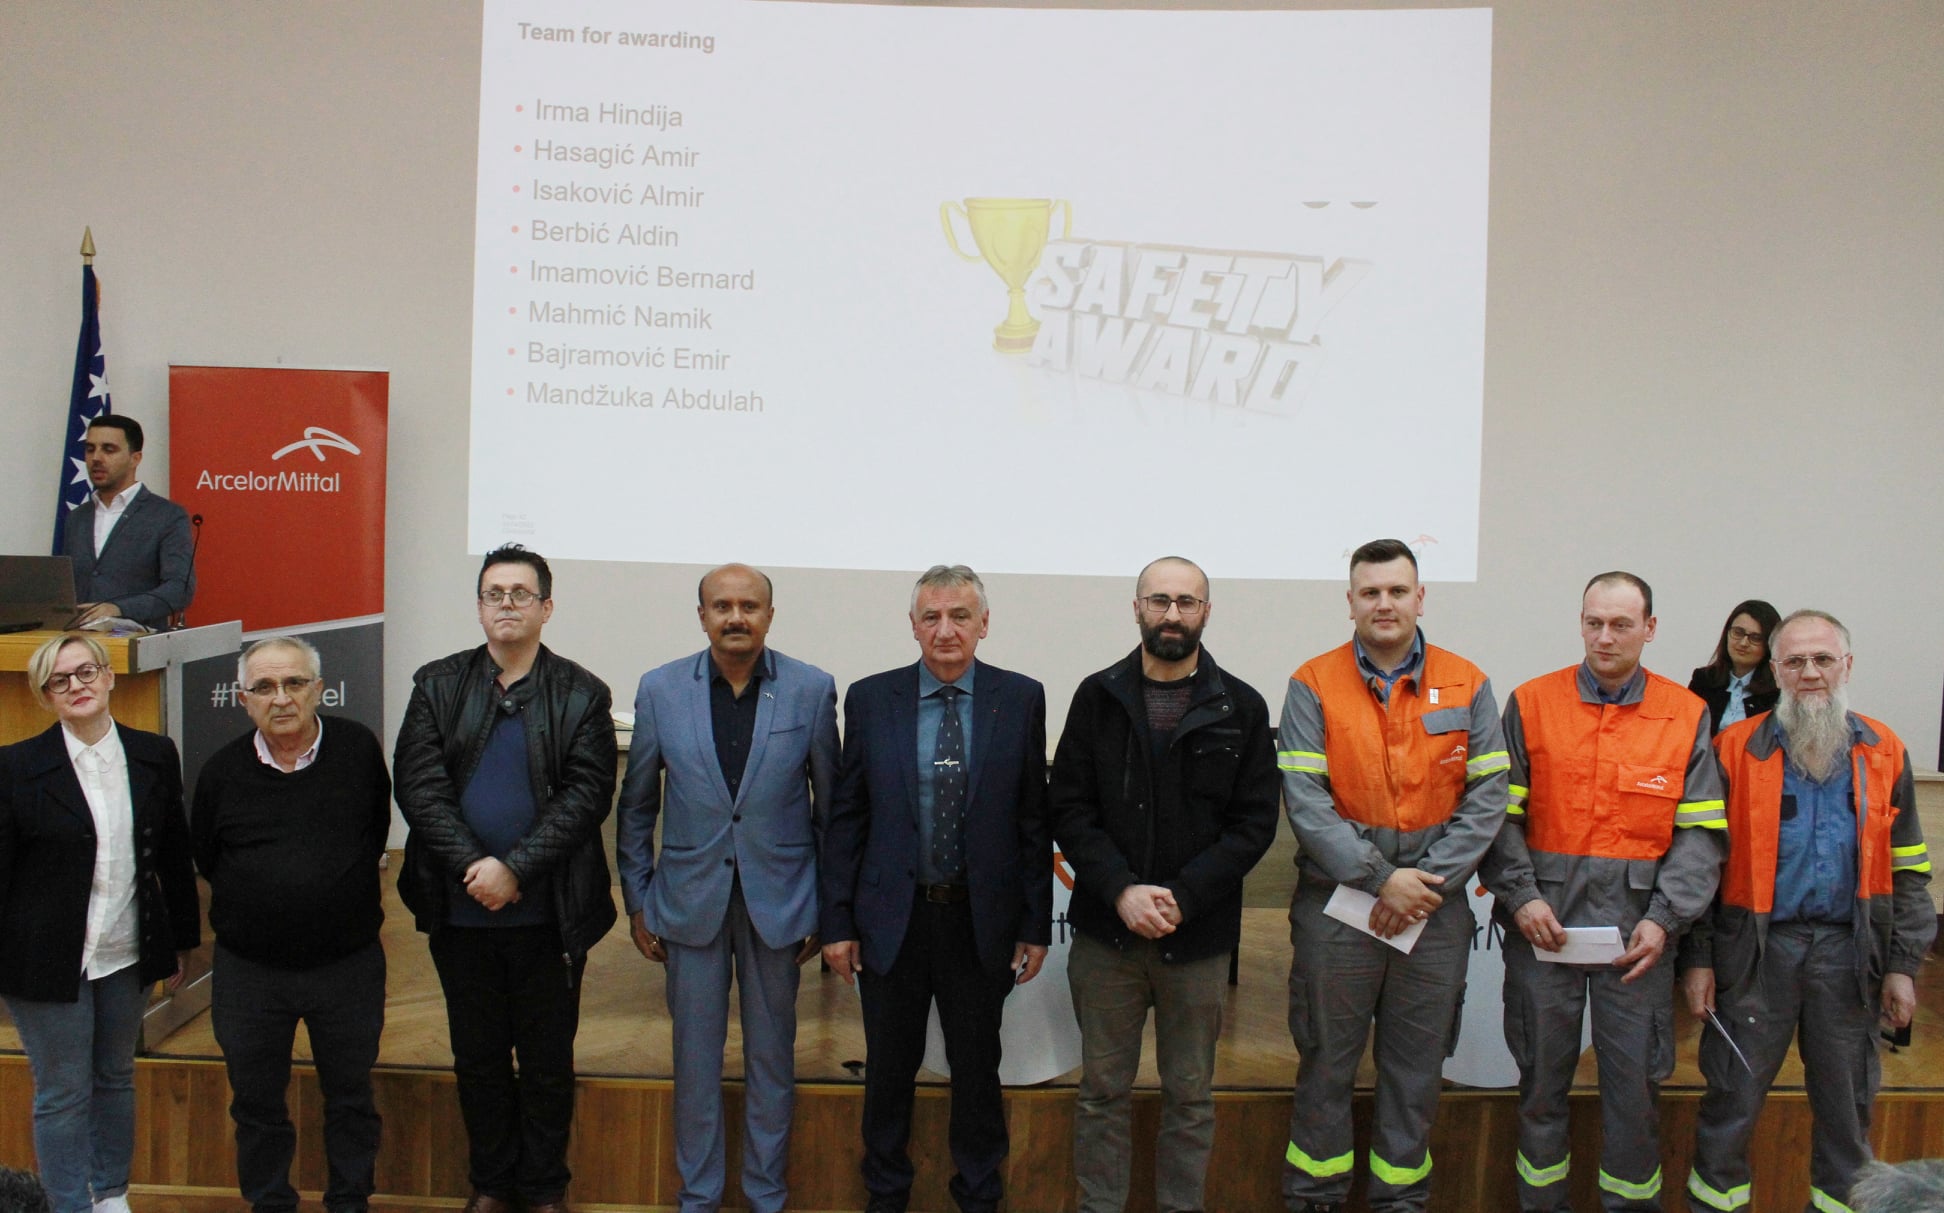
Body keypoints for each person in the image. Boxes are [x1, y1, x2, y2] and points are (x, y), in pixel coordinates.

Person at [1479, 572, 1726, 1213]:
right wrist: (1522, 897)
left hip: (1638, 941)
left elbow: (1701, 834)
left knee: (1635, 1095)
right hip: (1543, 932)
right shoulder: (1532, 703)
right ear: (1581, 623)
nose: (1605, 637)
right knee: (1539, 1088)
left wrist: (1665, 919)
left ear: (1650, 628)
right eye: (1594, 623)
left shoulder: (1685, 714)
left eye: (1621, 624)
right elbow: (1497, 817)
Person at [1278, 539, 1509, 1213]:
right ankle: (1314, 1198)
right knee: (1326, 1063)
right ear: (1350, 602)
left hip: (1433, 913)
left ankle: (1399, 1202)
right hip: (1338, 907)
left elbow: (1487, 799)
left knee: (1415, 1072)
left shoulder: (1468, 682)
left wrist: (1421, 885)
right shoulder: (1312, 683)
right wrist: (1382, 878)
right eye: (1371, 592)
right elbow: (1307, 803)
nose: (1385, 603)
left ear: (1420, 598)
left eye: (1397, 591)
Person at [1681, 610, 1934, 1213]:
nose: (1810, 672)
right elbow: (1701, 868)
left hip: (1849, 958)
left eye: (1823, 659)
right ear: (1775, 671)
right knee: (1731, 1107)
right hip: (1754, 959)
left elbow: (1909, 872)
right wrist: (1698, 958)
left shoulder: (1885, 751)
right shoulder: (1732, 750)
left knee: (1848, 1118)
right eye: (1794, 661)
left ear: (1847, 665)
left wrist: (1902, 967)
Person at [392, 545, 617, 1213]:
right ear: (480, 607)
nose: (508, 604)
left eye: (522, 593)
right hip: (460, 909)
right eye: (495, 593)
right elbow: (419, 786)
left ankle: (544, 1188)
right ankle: (491, 1184)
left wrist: (515, 868)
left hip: (549, 915)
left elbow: (587, 794)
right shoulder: (437, 684)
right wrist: (476, 866)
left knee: (547, 1062)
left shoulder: (583, 692)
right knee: (478, 1057)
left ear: (546, 607)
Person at [819, 565, 1051, 1213]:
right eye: (932, 617)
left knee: (977, 1071)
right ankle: (885, 1195)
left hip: (980, 922)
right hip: (891, 920)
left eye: (960, 616)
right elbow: (848, 818)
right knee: (888, 1072)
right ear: (914, 625)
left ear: (984, 624)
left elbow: (1033, 818)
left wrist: (1034, 923)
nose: (945, 630)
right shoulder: (872, 699)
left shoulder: (1020, 698)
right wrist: (837, 921)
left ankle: (978, 1195)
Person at [1050, 556, 1278, 1213]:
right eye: (1159, 600)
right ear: (1137, 609)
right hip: (1107, 936)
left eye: (1186, 601)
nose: (1171, 613)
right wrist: (1121, 889)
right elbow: (1069, 806)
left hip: (1197, 938)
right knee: (1101, 1091)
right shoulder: (1097, 696)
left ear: (1206, 612)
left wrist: (1185, 895)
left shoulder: (1242, 706)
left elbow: (1254, 823)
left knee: (1190, 1095)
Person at [615, 564, 839, 1213]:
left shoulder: (810, 688)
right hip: (687, 902)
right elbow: (636, 806)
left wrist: (826, 905)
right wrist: (638, 898)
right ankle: (699, 1197)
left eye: (749, 605)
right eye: (722, 606)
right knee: (694, 1065)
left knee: (772, 1062)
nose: (735, 616)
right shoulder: (660, 689)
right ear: (702, 615)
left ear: (769, 614)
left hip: (782, 903)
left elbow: (831, 809)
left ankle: (767, 1195)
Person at [0, 633, 199, 1213]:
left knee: (114, 1076)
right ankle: (69, 1205)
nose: (76, 686)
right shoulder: (15, 766)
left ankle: (111, 1196)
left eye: (86, 672)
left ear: (109, 677)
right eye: (59, 680)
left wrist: (183, 938)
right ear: (46, 696)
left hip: (125, 947)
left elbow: (173, 852)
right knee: (63, 1091)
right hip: (43, 958)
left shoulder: (154, 753)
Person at [192, 636, 392, 1213]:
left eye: (294, 683)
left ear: (319, 689)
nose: (280, 698)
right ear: (243, 699)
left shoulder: (357, 750)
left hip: (346, 966)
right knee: (256, 1104)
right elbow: (208, 855)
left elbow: (373, 833)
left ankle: (349, 1202)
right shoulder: (221, 771)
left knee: (351, 1097)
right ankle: (270, 1202)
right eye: (264, 687)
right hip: (250, 972)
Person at [61, 416, 196, 630]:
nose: (96, 458)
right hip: (79, 642)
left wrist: (119, 608)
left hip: (137, 643)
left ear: (135, 458)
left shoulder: (167, 516)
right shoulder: (77, 518)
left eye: (109, 450)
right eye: (90, 449)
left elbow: (180, 589)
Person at [1687, 599, 1781, 734]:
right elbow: (1687, 730)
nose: (1743, 643)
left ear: (1770, 645)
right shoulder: (1703, 680)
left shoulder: (1777, 691)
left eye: (1755, 638)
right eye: (1738, 632)